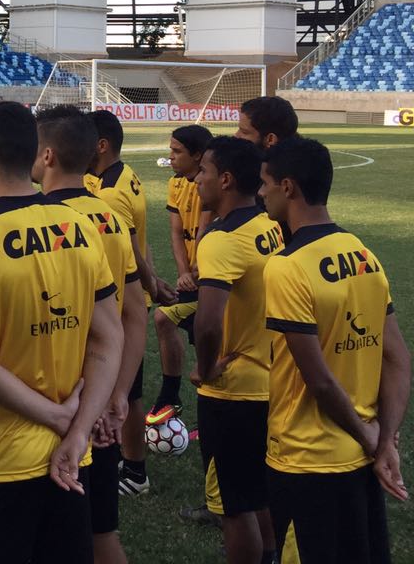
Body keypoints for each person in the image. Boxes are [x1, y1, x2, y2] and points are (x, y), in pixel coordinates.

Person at [0, 102, 123, 564]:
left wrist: (60, 419)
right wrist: (78, 431)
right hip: (70, 456)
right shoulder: (82, 225)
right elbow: (109, 337)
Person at [260, 137, 409, 564]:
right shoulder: (363, 254)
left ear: (288, 187)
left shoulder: (287, 265)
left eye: (265, 183)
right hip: (361, 457)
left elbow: (319, 380)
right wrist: (383, 441)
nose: (261, 192)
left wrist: (370, 439)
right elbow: (398, 359)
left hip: (306, 459)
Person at [35, 107, 145, 564]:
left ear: (47, 155)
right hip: (101, 395)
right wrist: (117, 395)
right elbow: (135, 313)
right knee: (101, 531)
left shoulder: (41, 222)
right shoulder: (110, 218)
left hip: (54, 402)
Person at [191, 137, 285, 564]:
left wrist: (206, 366)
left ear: (225, 179)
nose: (196, 179)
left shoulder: (220, 238)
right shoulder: (269, 223)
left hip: (234, 390)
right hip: (273, 378)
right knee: (257, 491)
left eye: (203, 171)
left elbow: (209, 321)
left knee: (234, 506)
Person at [84, 109, 171, 497]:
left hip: (120, 303)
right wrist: (152, 281)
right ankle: (128, 459)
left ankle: (135, 470)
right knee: (127, 390)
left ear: (101, 145)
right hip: (131, 294)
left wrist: (149, 283)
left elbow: (128, 251)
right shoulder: (124, 176)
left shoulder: (111, 195)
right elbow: (138, 242)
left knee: (126, 393)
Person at [149, 123, 212, 424]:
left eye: (177, 151)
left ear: (197, 155)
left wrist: (197, 271)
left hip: (210, 276)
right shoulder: (176, 183)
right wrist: (184, 271)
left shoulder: (210, 184)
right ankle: (171, 395)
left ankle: (184, 399)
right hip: (192, 276)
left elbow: (205, 230)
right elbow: (177, 233)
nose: (171, 157)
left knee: (205, 340)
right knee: (170, 322)